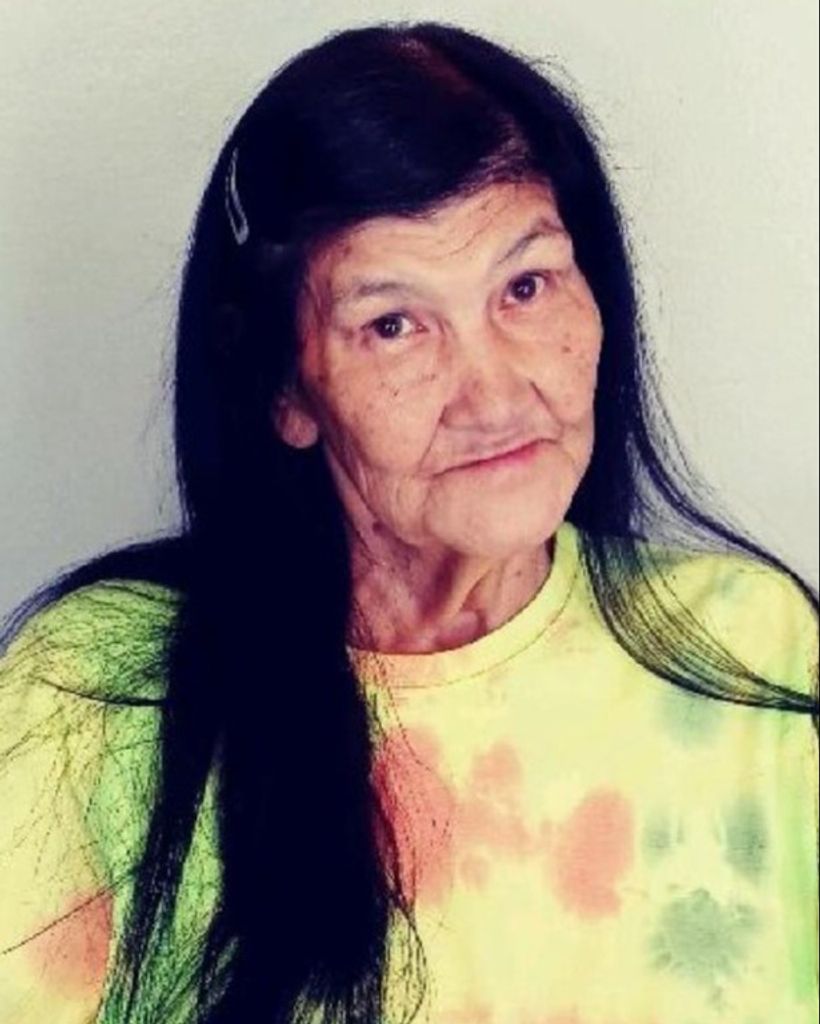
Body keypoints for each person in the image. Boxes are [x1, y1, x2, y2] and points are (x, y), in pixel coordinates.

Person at [0, 19, 817, 1024]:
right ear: (286, 390)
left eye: (526, 286)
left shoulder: (753, 647)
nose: (495, 394)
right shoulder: (96, 691)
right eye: (393, 325)